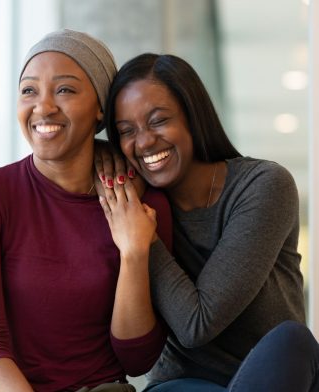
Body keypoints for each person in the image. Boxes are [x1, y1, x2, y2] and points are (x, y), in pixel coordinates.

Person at [0, 31, 173, 392]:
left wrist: (134, 253)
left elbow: (137, 360)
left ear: (100, 107)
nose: (43, 107)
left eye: (65, 90)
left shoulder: (144, 206)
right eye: (29, 91)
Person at [95, 52, 319, 391]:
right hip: (184, 382)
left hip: (272, 376)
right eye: (127, 131)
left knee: (292, 341)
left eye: (158, 121)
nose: (143, 141)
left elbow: (197, 324)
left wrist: (143, 238)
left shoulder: (262, 185)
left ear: (193, 116)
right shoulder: (140, 200)